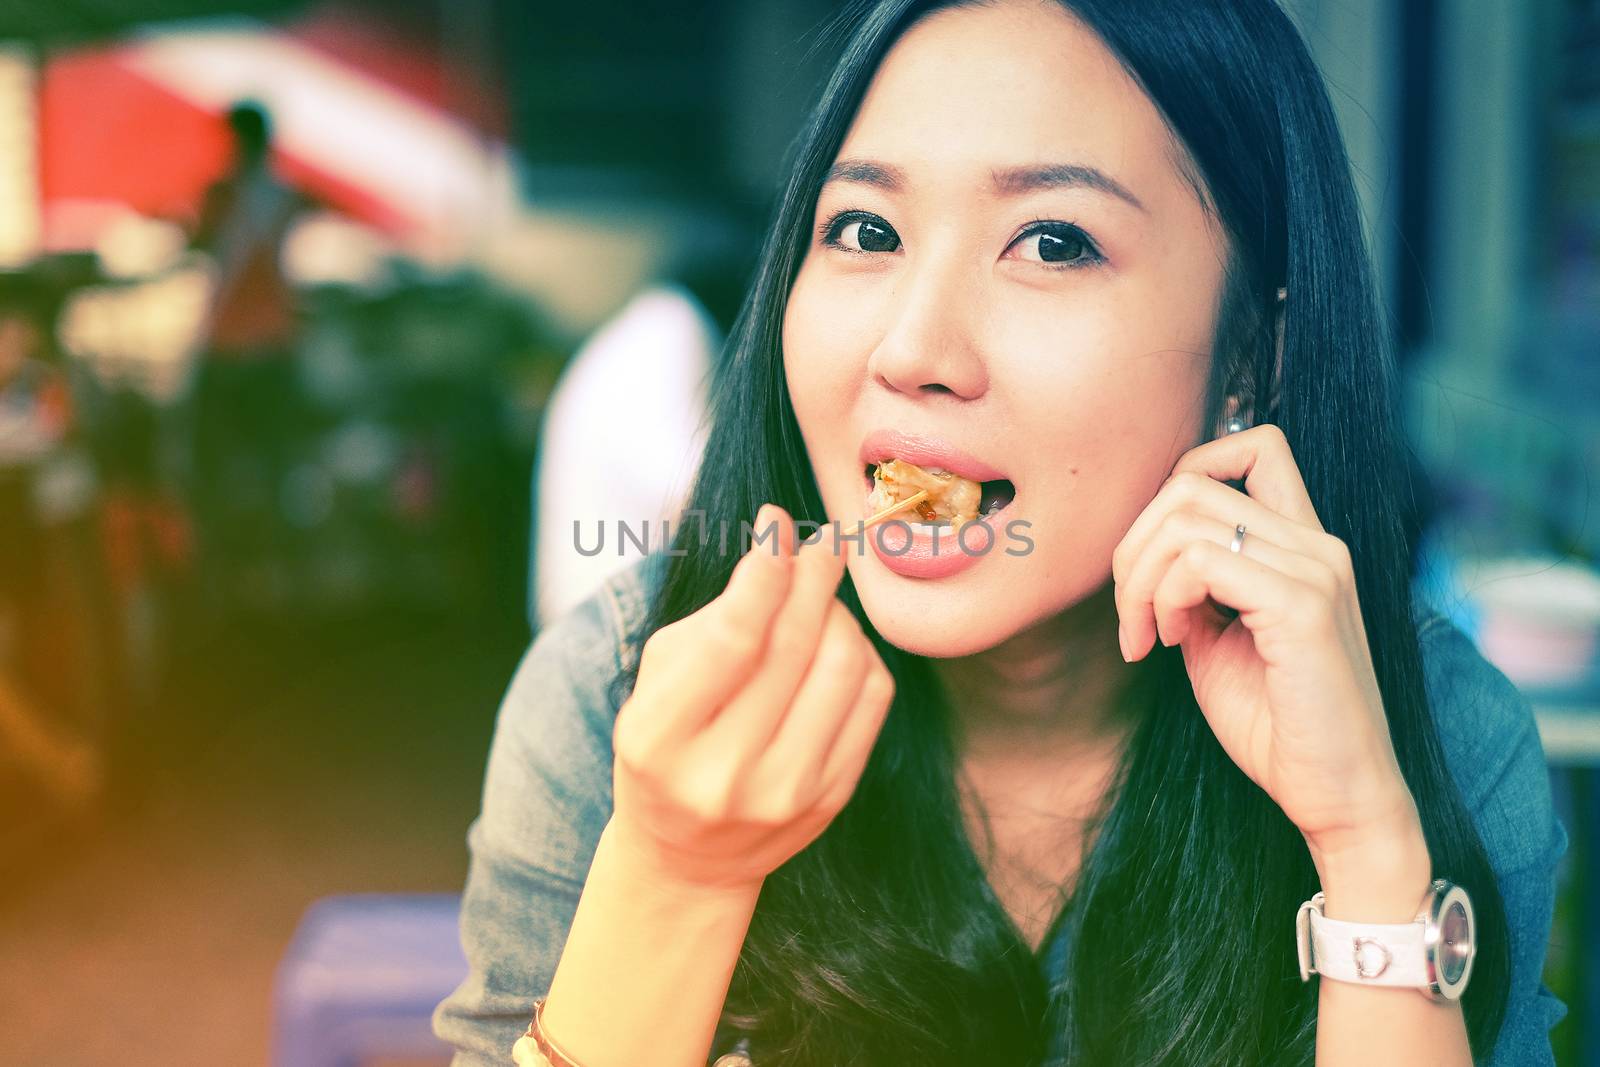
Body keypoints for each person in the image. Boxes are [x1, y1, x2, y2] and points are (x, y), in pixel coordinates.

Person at [434, 2, 1566, 1065]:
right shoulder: (613, 698)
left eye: (1054, 243)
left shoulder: (1440, 736)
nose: (913, 347)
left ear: (1245, 360)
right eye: (864, 228)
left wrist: (1368, 846)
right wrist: (675, 871)